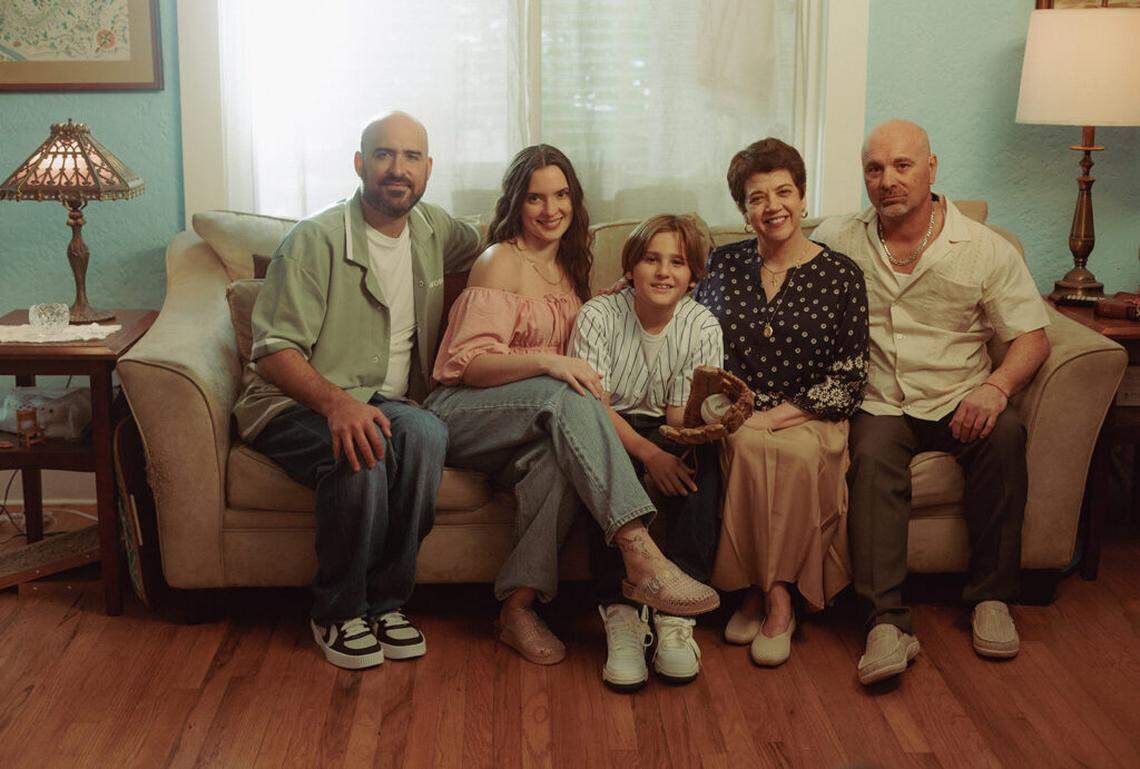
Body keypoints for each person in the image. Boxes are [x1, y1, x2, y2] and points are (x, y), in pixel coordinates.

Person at [425, 145, 719, 666]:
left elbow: (583, 336)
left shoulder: (568, 266)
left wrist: (621, 298)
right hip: (466, 413)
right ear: (517, 204)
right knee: (567, 390)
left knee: (562, 463)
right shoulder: (500, 260)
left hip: (531, 424)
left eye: (560, 195)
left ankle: (517, 608)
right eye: (535, 198)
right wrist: (549, 362)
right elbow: (467, 365)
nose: (550, 209)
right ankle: (639, 550)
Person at [233, 112, 482, 669]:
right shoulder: (313, 240)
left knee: (425, 433)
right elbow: (273, 350)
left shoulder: (434, 229)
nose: (398, 169)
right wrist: (337, 404)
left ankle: (387, 604)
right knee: (363, 447)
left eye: (411, 157)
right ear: (359, 163)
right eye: (384, 154)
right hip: (290, 402)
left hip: (385, 401)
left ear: (428, 168)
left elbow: (494, 244)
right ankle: (338, 611)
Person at [812, 119, 1051, 685]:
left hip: (959, 394)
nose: (887, 180)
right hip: (880, 400)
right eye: (875, 168)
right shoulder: (837, 238)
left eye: (902, 165)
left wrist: (995, 388)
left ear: (931, 168)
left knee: (1007, 435)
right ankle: (885, 622)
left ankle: (992, 598)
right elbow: (777, 271)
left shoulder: (985, 248)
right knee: (871, 460)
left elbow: (1032, 337)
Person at [692, 137, 869, 667]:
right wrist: (625, 289)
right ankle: (770, 594)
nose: (773, 206)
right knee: (745, 445)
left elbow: (850, 377)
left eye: (784, 191)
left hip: (811, 412)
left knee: (790, 453)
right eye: (757, 197)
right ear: (743, 211)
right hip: (736, 407)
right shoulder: (720, 264)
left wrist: (776, 417)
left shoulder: (841, 275)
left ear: (803, 197)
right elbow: (680, 316)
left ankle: (769, 597)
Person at [568, 214, 723, 690]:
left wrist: (672, 450)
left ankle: (677, 614)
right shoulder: (598, 315)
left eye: (677, 263)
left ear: (693, 276)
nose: (663, 272)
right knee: (610, 462)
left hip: (666, 426)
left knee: (704, 457)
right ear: (630, 267)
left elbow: (679, 415)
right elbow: (591, 405)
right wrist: (647, 456)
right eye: (651, 259)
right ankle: (622, 612)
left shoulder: (702, 324)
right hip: (603, 423)